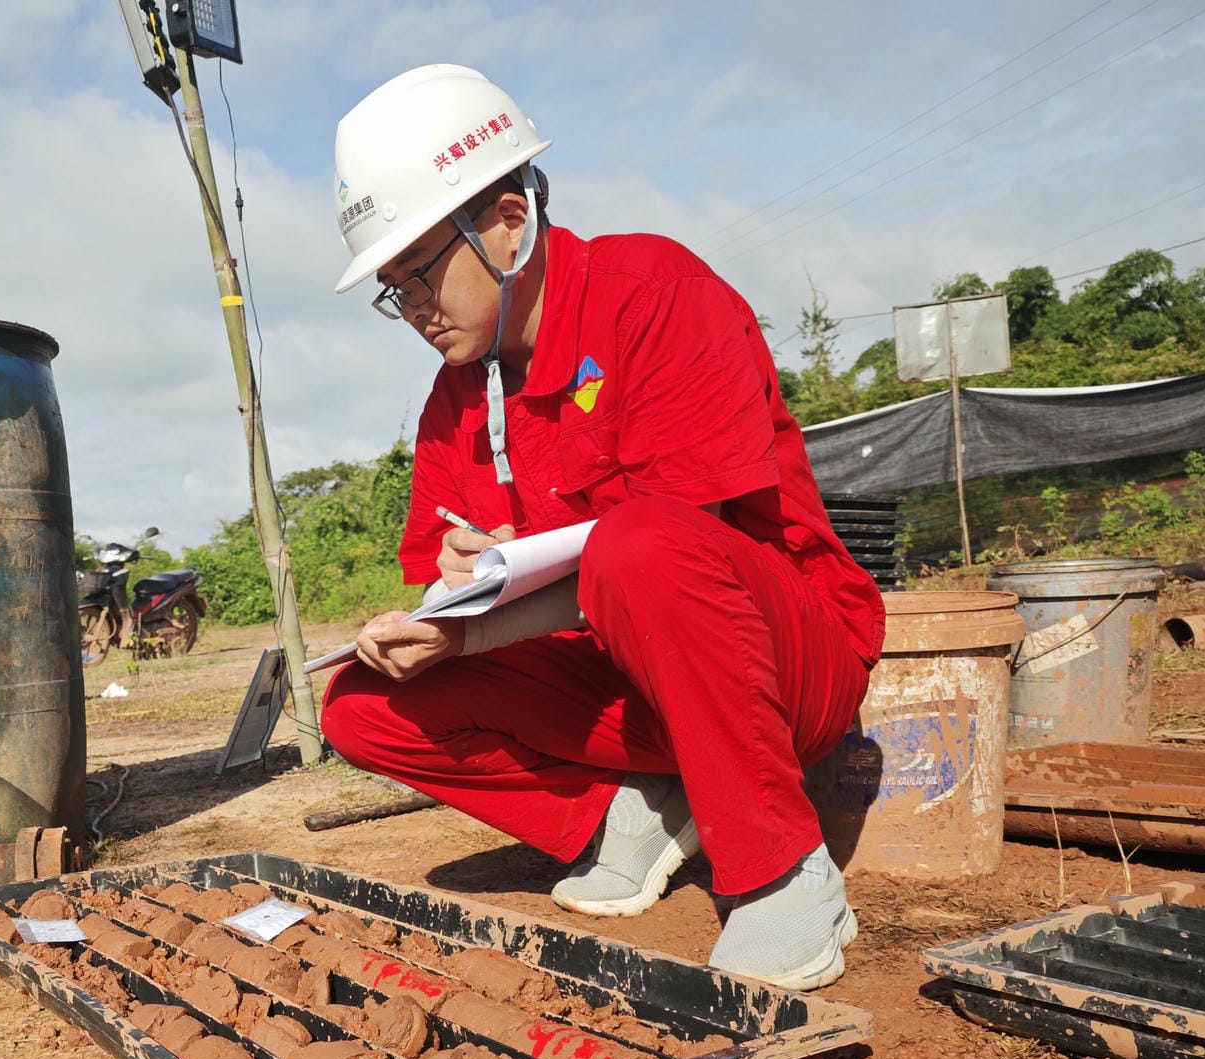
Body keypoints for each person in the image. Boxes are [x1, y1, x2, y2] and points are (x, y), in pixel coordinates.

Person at [318, 65, 885, 990]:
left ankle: (782, 867)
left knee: (641, 542)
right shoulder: (455, 399)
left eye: (420, 271)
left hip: (782, 675)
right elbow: (446, 558)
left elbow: (671, 553)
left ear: (508, 221)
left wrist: (479, 623)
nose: (413, 308)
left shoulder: (651, 293)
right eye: (394, 288)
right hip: (631, 691)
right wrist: (450, 597)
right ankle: (628, 814)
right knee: (360, 701)